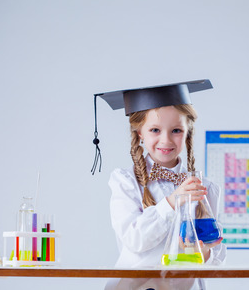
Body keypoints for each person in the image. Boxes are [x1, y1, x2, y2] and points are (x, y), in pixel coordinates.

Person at [94, 80, 226, 289]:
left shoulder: (204, 188)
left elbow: (217, 256)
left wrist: (206, 251)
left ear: (188, 132)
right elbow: (135, 239)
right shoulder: (126, 181)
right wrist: (173, 201)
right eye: (155, 130)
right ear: (140, 134)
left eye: (176, 130)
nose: (166, 140)